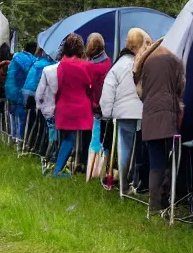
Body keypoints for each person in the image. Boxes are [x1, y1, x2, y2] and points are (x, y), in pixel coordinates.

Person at [135, 38, 185, 212]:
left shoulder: (145, 64)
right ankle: (164, 199)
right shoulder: (176, 62)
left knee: (156, 161)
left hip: (149, 114)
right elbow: (180, 87)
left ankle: (154, 204)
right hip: (169, 114)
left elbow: (140, 90)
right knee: (171, 159)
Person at [100, 28, 148, 194]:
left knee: (124, 147)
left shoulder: (118, 65)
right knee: (139, 149)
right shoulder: (143, 64)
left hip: (122, 113)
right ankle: (135, 182)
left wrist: (106, 113)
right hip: (142, 112)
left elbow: (108, 89)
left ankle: (122, 184)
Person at [53, 34, 93, 178]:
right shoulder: (86, 65)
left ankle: (59, 168)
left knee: (67, 138)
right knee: (75, 139)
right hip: (81, 107)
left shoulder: (61, 64)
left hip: (64, 105)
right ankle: (58, 170)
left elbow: (59, 85)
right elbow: (90, 87)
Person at [5, 41, 38, 140]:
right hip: (20, 91)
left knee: (12, 114)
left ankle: (11, 137)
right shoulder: (31, 61)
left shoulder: (16, 57)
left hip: (10, 89)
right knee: (21, 116)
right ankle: (18, 139)